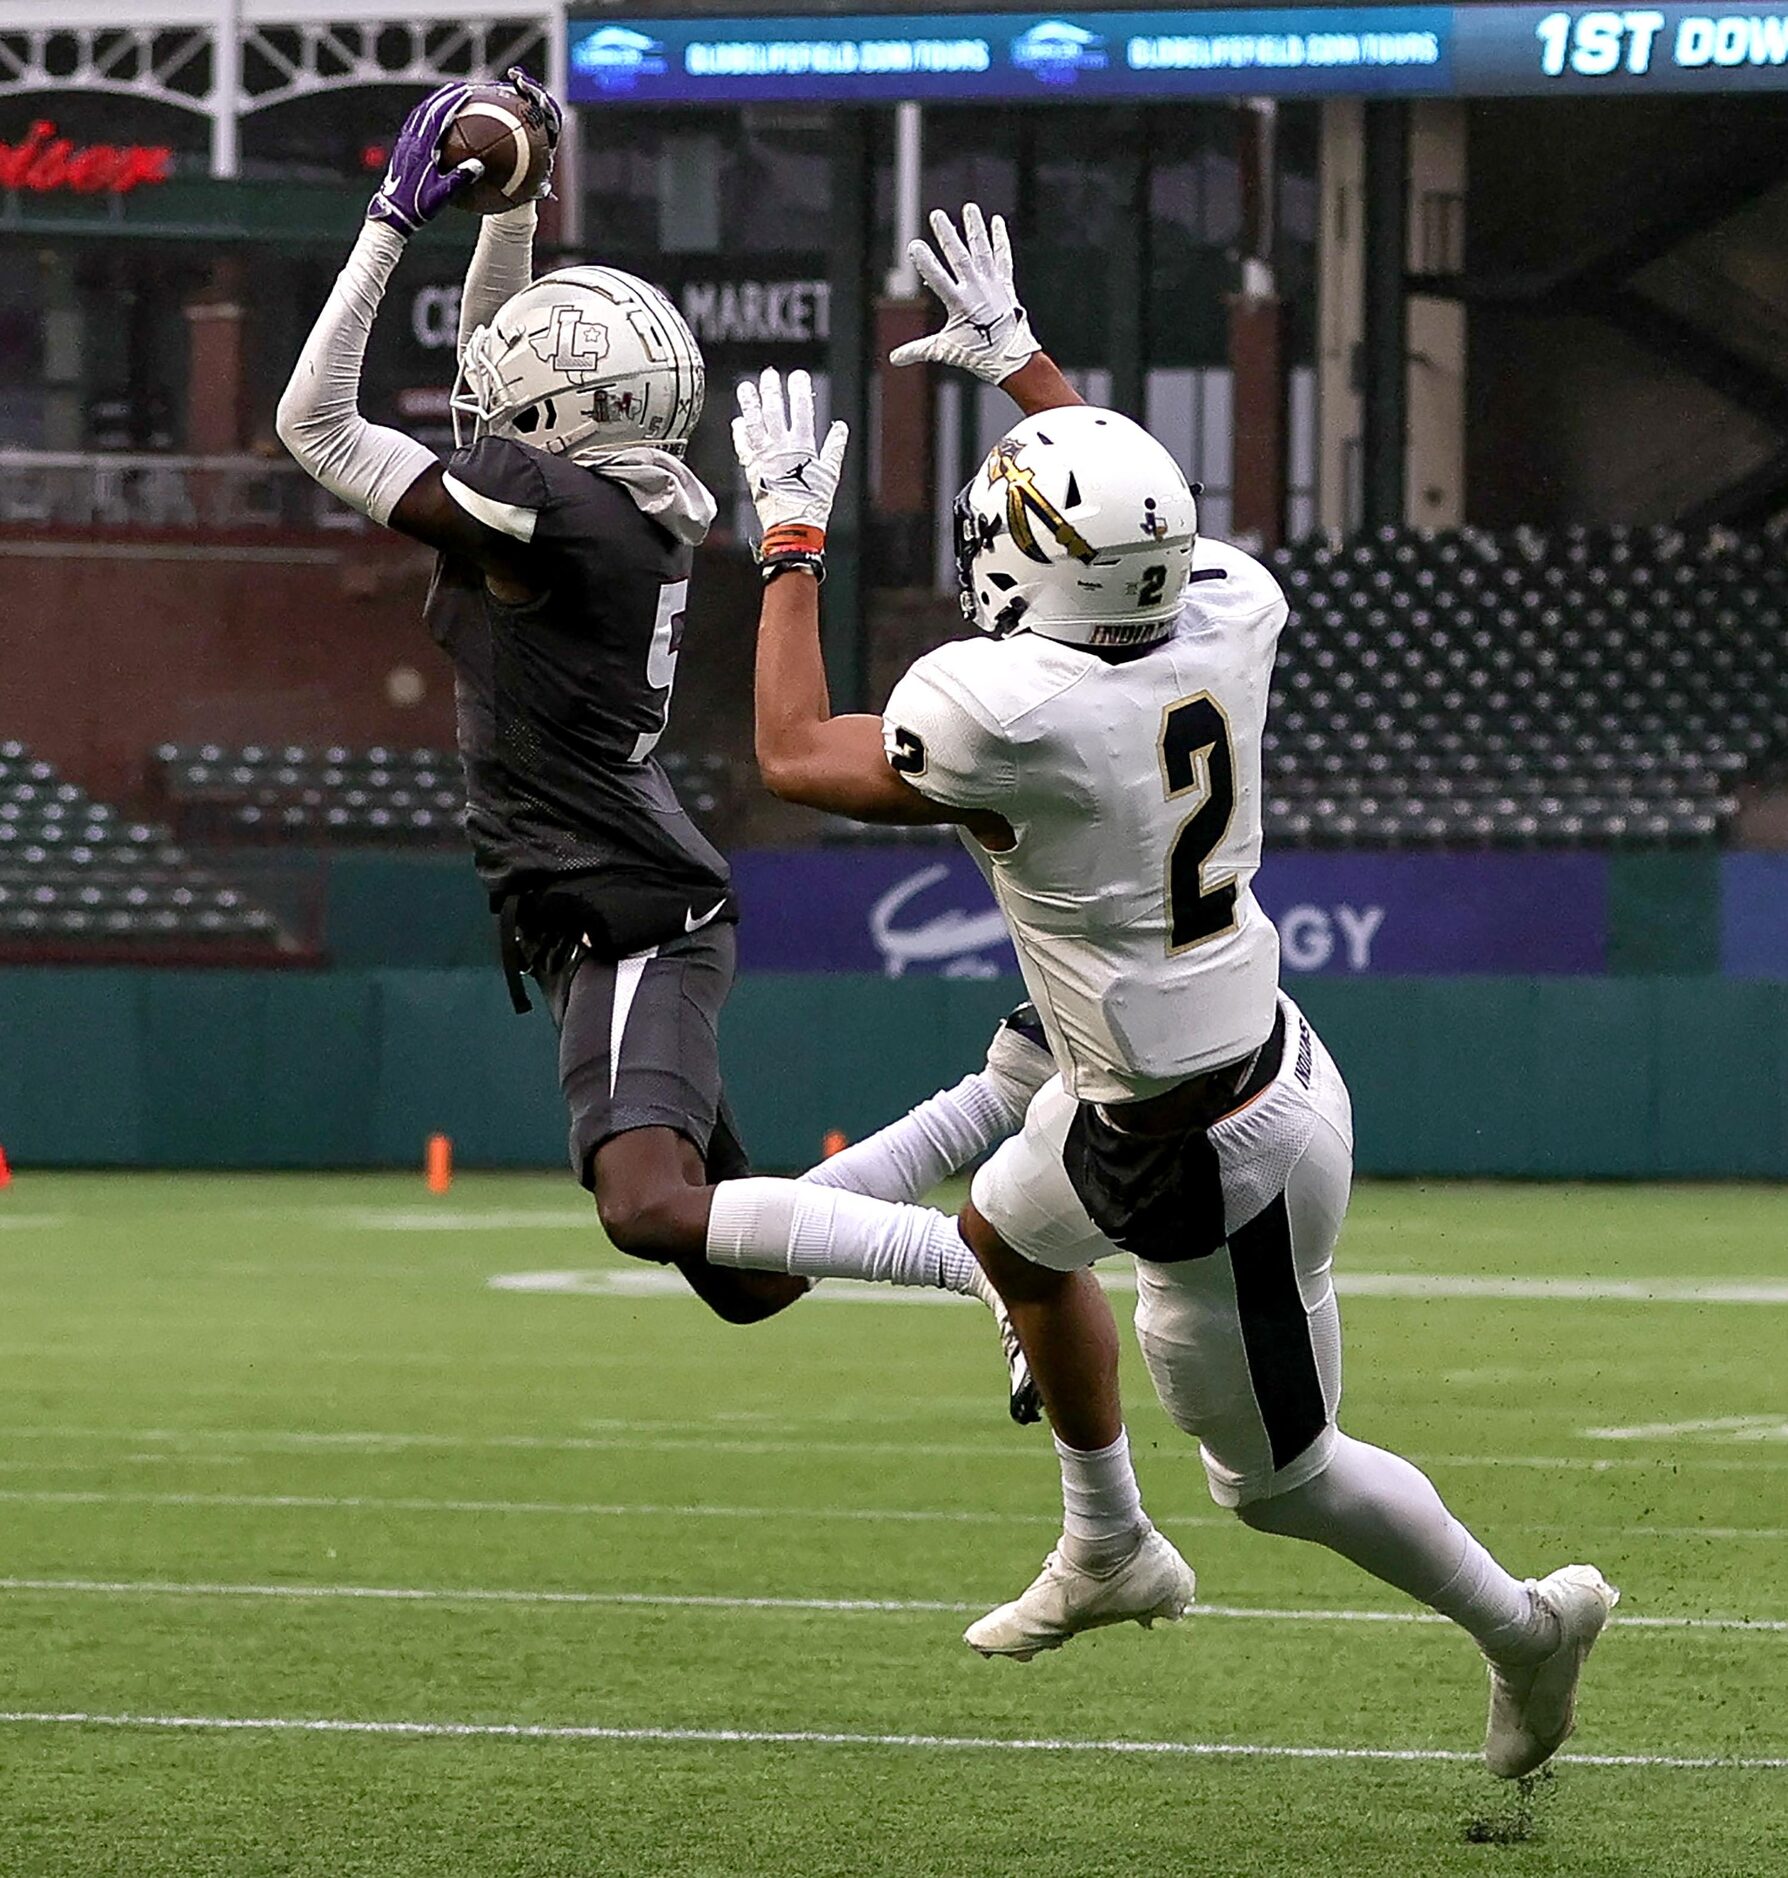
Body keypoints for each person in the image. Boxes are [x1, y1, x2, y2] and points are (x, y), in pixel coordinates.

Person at [705, 204, 1619, 1781]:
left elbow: (793, 751)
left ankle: (1524, 1625)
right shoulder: (1228, 615)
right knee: (1004, 1230)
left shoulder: (1012, 712)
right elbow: (1133, 528)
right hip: (1216, 1062)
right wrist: (1024, 367)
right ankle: (1104, 1541)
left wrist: (790, 537)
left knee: (1282, 1479)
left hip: (1206, 1154)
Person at [272, 79, 1046, 1394]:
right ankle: (1000, 1100)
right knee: (746, 1273)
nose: (495, 382)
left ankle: (998, 1263)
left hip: (625, 906)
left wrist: (394, 218)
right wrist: (516, 209)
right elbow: (492, 377)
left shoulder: (553, 507)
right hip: (622, 891)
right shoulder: (610, 496)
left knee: (644, 1203)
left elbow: (315, 425)